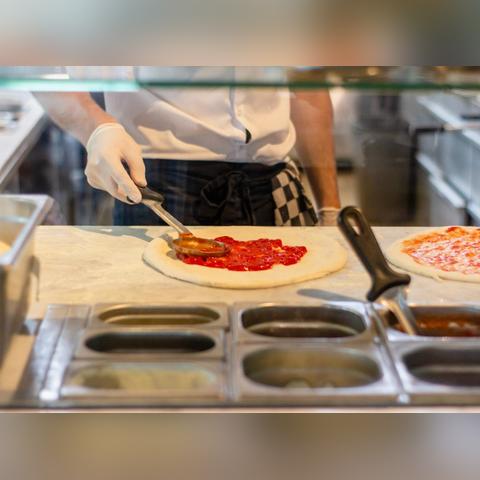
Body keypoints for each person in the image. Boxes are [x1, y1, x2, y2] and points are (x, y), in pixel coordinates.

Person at [34, 67, 340, 227]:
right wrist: (96, 129)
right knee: (162, 322)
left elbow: (308, 84)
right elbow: (36, 59)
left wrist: (331, 210)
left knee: (280, 317)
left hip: (273, 184)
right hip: (158, 187)